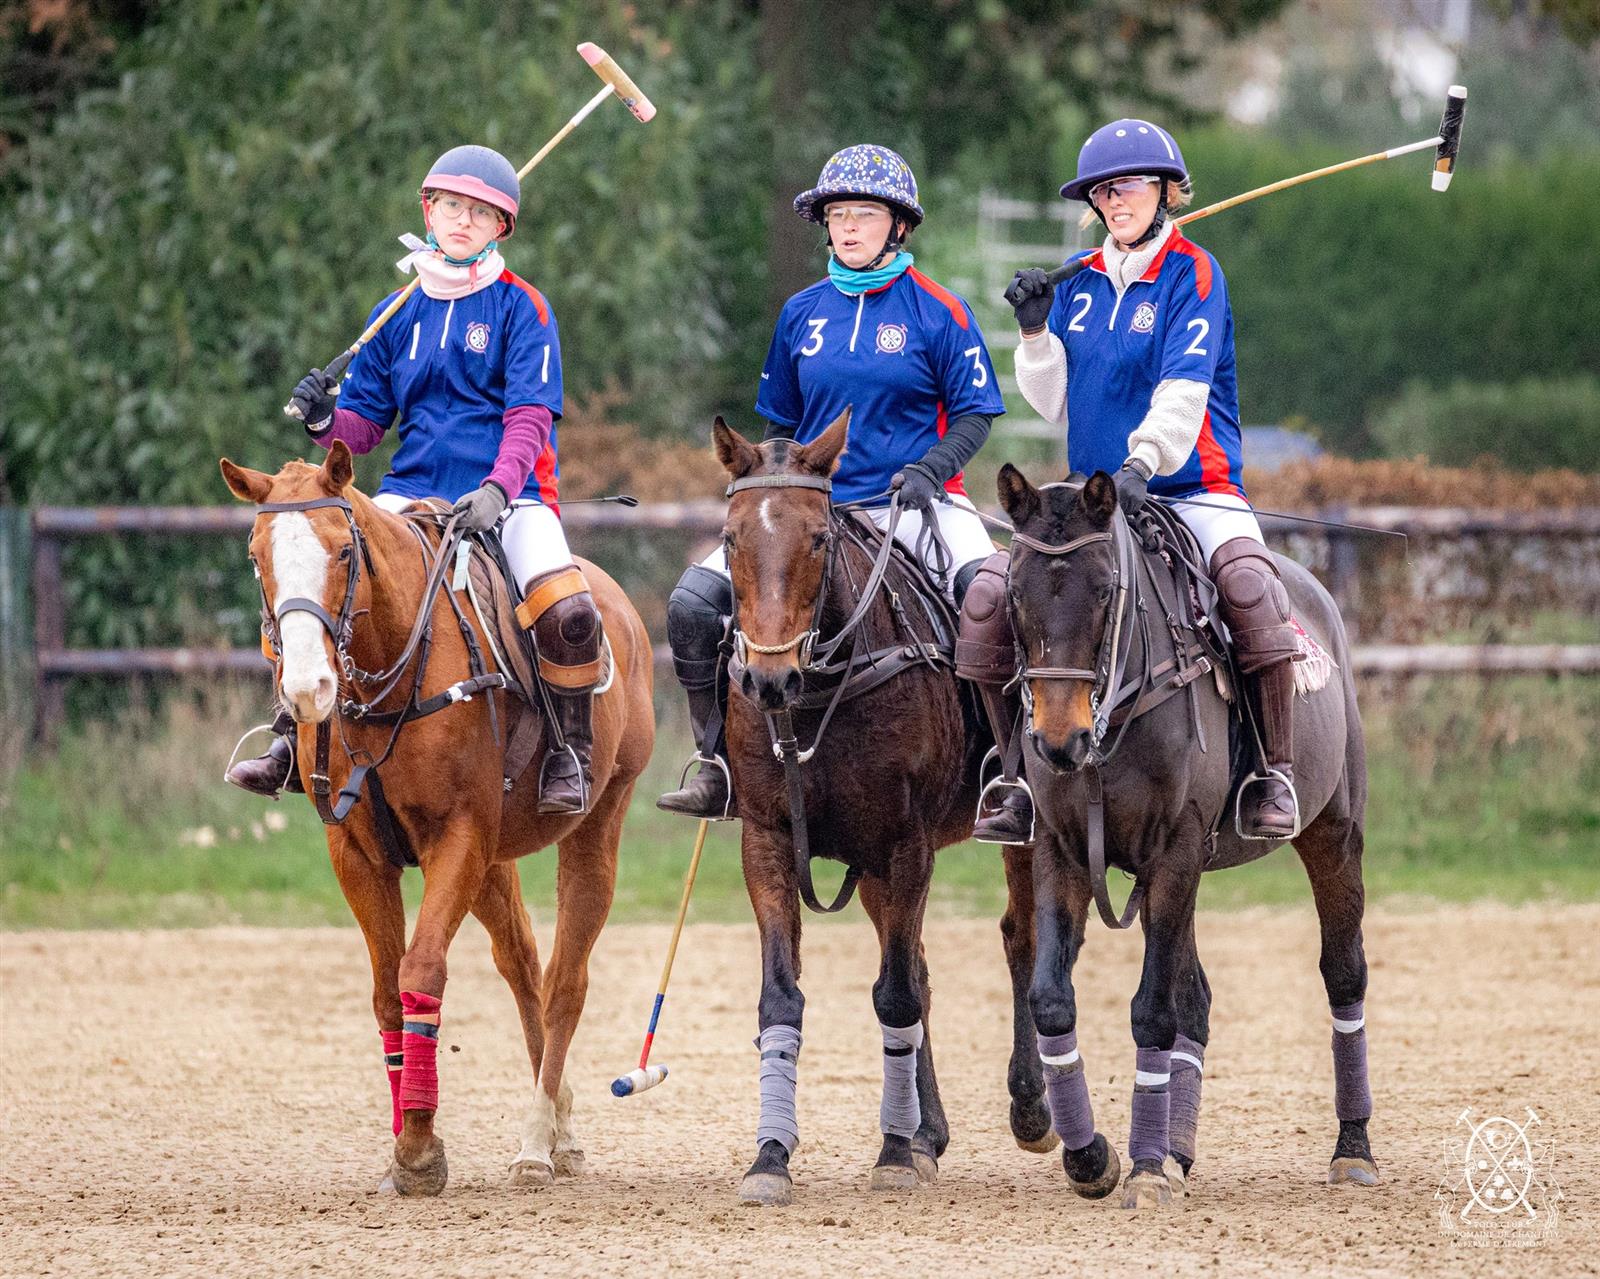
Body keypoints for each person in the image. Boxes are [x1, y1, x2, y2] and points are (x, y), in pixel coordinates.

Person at [226, 145, 601, 815]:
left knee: (569, 611)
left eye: (480, 213)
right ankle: (290, 735)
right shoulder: (395, 310)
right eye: (452, 207)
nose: (463, 221)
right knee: (314, 569)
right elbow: (363, 427)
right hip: (408, 492)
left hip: (508, 496)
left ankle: (570, 752)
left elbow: (529, 417)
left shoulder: (525, 308)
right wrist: (324, 422)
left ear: (500, 228)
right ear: (429, 213)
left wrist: (497, 488)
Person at [965, 118, 1299, 842]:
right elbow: (1059, 401)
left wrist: (1141, 464)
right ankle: (1011, 777)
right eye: (1104, 191)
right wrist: (1033, 335)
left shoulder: (1194, 273)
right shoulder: (1079, 283)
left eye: (1132, 186)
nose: (1116, 201)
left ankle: (1273, 772)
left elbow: (1184, 388)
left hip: (1191, 485)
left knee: (1249, 586)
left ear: (1166, 191)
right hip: (1091, 504)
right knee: (993, 596)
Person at [656, 144, 1006, 819]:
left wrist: (931, 470)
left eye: (864, 214)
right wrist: (771, 489)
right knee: (693, 605)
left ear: (898, 225)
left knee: (988, 597)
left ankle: (998, 765)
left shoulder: (939, 311)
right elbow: (777, 429)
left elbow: (974, 413)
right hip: (812, 513)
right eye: (838, 214)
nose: (848, 227)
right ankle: (717, 762)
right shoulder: (801, 314)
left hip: (917, 505)